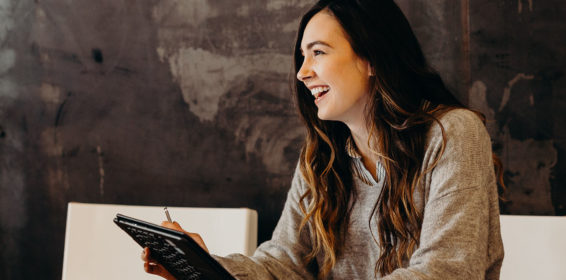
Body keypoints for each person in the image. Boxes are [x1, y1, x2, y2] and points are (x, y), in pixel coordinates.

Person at [142, 0, 504, 278]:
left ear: (371, 58)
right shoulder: (322, 157)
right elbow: (283, 265)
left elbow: (447, 271)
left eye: (318, 52)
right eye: (302, 56)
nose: (302, 73)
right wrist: (207, 268)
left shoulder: (453, 134)